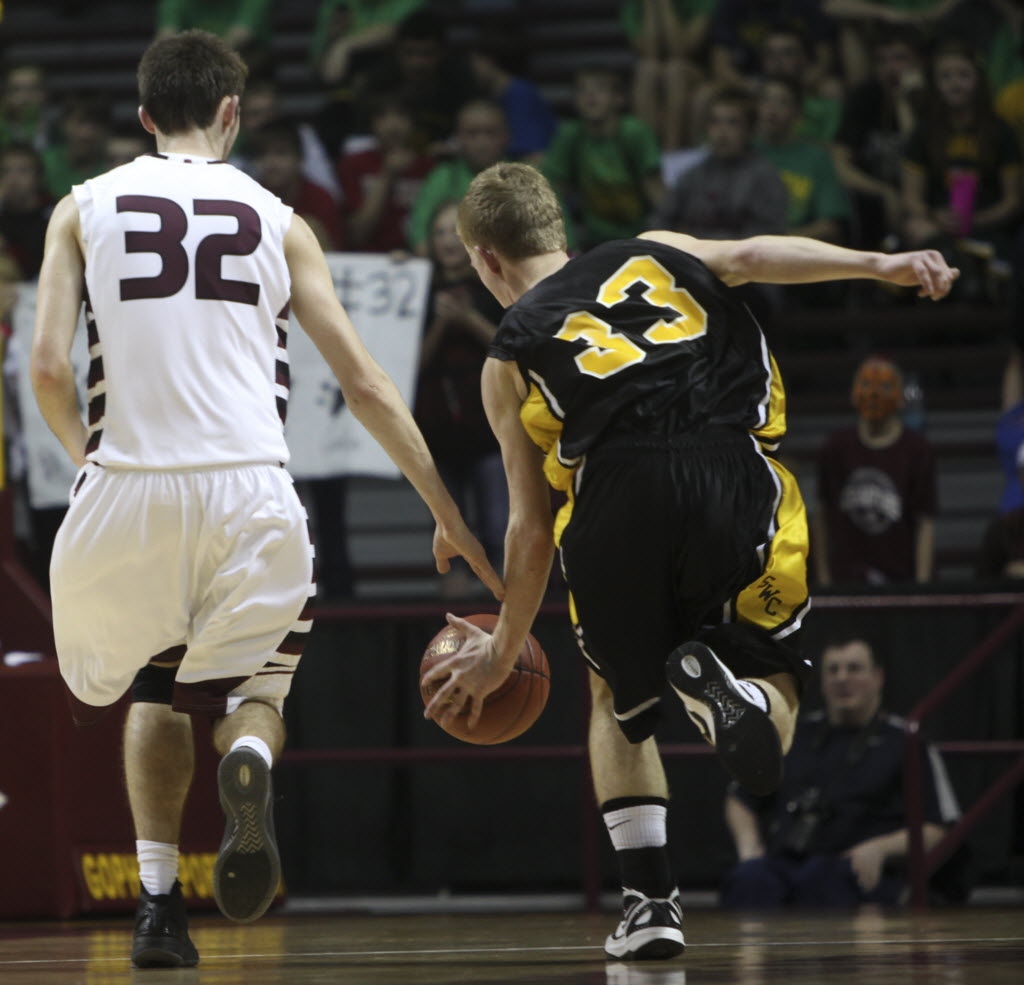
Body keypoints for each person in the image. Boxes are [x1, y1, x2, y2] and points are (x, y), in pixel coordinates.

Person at [30, 30, 501, 969]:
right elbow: (364, 382)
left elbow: (44, 367)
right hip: (252, 487)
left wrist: (94, 466)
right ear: (233, 114)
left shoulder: (80, 209)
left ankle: (159, 908)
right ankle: (248, 756)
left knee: (149, 686)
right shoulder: (281, 218)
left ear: (144, 117)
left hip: (125, 486)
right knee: (260, 685)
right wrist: (445, 509)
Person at [419, 161, 958, 961]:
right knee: (775, 677)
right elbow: (758, 255)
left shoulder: (509, 356)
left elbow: (530, 531)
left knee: (614, 697)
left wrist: (503, 651)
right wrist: (878, 266)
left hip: (610, 498)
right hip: (731, 469)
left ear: (485, 259)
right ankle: (734, 691)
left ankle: (650, 904)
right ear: (557, 229)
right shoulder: (655, 248)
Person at [721, 637, 960, 907]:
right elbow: (740, 798)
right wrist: (750, 849)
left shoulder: (907, 742)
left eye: (854, 668)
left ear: (878, 677)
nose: (842, 678)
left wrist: (880, 849)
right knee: (749, 878)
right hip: (785, 865)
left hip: (853, 873)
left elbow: (938, 826)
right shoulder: (792, 735)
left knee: (824, 879)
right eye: (833, 670)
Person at [415, 200, 508, 595]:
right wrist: (440, 322)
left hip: (492, 427)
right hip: (437, 426)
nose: (447, 241)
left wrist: (468, 319)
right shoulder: (417, 290)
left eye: (455, 231)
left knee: (498, 518)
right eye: (438, 232)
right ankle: (452, 604)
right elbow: (408, 363)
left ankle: (507, 593)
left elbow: (512, 349)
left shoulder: (495, 285)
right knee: (449, 521)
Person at [813, 355, 938, 587]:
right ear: (853, 393)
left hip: (900, 579)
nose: (874, 394)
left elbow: (925, 522)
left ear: (901, 397)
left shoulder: (918, 450)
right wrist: (824, 578)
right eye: (866, 384)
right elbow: (821, 513)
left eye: (885, 386)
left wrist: (921, 587)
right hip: (846, 581)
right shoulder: (835, 448)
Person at [543, 68, 663, 251]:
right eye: (582, 90)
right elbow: (553, 194)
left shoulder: (634, 133)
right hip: (594, 241)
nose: (590, 95)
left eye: (600, 88)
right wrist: (568, 247)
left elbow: (655, 191)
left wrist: (665, 241)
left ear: (619, 99)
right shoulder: (570, 135)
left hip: (640, 235)